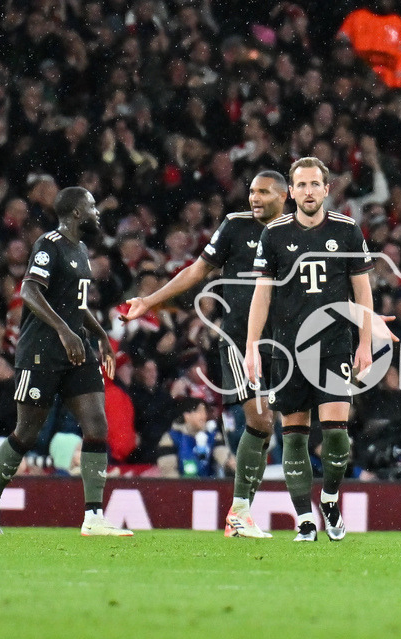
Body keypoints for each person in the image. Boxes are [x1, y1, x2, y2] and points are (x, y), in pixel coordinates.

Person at [122, 171, 288, 539]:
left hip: (284, 343)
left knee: (277, 426)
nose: (255, 197)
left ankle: (269, 512)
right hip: (240, 340)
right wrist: (149, 300)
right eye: (251, 191)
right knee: (260, 421)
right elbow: (197, 270)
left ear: (284, 195)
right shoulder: (235, 226)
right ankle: (240, 512)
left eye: (263, 192)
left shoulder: (300, 231)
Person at [0, 187, 131, 536]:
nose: (97, 212)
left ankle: (93, 517)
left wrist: (99, 333)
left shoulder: (82, 249)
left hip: (77, 351)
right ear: (75, 212)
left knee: (96, 426)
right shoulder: (50, 243)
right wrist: (64, 331)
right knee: (27, 433)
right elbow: (29, 290)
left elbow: (77, 304)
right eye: (91, 206)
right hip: (41, 351)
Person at [245, 156, 378, 542]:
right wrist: (253, 346)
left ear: (326, 188)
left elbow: (362, 290)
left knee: (337, 434)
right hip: (287, 351)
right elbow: (262, 294)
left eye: (313, 185)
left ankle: (331, 498)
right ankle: (305, 518)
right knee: (295, 434)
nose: (307, 191)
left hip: (335, 346)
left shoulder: (348, 231)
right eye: (300, 185)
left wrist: (365, 342)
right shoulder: (274, 234)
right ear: (291, 191)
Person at [156, 397, 233, 478]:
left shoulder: (213, 435)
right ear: (187, 415)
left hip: (209, 486)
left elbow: (223, 455)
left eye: (204, 412)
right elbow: (168, 471)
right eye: (199, 411)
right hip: (181, 486)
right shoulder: (170, 438)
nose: (204, 416)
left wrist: (232, 464)